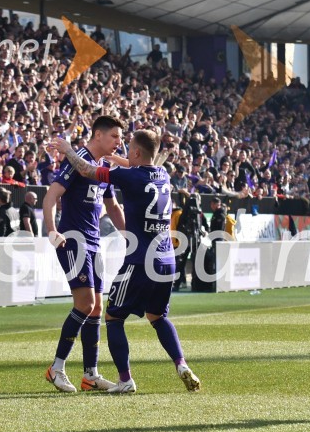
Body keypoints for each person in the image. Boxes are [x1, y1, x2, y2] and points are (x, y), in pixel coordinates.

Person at [49, 129, 201, 393]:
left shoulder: (128, 176)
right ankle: (181, 364)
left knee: (113, 316)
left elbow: (87, 170)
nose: (124, 149)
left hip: (139, 261)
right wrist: (118, 158)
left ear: (137, 152)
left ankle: (125, 379)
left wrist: (69, 151)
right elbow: (139, 165)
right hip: (166, 261)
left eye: (128, 147)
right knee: (157, 316)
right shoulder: (162, 174)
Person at [42, 115, 126, 393]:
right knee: (85, 303)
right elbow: (51, 196)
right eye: (114, 136)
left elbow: (112, 207)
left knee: (97, 308)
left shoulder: (104, 167)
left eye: (120, 137)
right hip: (73, 239)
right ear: (98, 135)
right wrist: (53, 230)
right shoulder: (77, 158)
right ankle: (56, 368)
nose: (119, 142)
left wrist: (131, 236)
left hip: (94, 241)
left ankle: (90, 374)